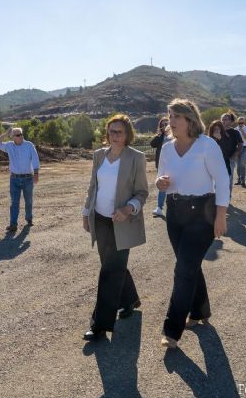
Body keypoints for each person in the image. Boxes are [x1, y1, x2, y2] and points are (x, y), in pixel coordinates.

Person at [156, 98, 229, 349]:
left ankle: (172, 331)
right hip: (175, 212)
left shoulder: (206, 145)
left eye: (176, 116)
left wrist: (221, 215)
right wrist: (160, 184)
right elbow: (161, 177)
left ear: (190, 119)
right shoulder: (166, 148)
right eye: (170, 115)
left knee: (184, 270)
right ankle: (200, 311)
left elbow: (222, 180)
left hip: (203, 213)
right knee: (189, 266)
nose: (171, 121)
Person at [81, 114, 148, 340]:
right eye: (111, 131)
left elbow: (142, 192)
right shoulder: (99, 155)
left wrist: (128, 208)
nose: (114, 135)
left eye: (119, 131)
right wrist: (85, 213)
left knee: (109, 271)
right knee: (111, 265)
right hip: (100, 219)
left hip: (122, 222)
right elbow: (93, 187)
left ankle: (99, 324)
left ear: (127, 134)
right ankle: (129, 300)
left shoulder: (136, 158)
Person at [0, 127, 40, 232]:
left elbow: (35, 159)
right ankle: (13, 225)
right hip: (14, 179)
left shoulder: (29, 145)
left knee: (28, 201)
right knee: (14, 202)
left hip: (28, 178)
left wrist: (36, 173)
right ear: (13, 137)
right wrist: (5, 134)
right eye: (18, 135)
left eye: (21, 134)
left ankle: (29, 219)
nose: (21, 136)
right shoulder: (9, 145)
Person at [220, 112, 243, 197]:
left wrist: (234, 156)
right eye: (222, 119)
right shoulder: (217, 131)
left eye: (226, 119)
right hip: (218, 160)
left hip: (229, 160)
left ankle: (227, 197)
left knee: (228, 179)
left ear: (231, 121)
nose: (223, 121)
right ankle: (219, 197)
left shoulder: (235, 132)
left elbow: (240, 145)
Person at [150, 117, 170, 217]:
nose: (165, 126)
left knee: (173, 187)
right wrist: (162, 134)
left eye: (167, 123)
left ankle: (171, 208)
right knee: (162, 186)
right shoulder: (160, 137)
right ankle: (159, 207)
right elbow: (152, 144)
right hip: (162, 165)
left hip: (174, 165)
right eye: (163, 124)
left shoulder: (175, 136)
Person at [235, 116, 246, 186]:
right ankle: (239, 179)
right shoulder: (235, 129)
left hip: (244, 148)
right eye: (239, 122)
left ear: (244, 122)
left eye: (242, 122)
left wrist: (242, 130)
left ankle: (243, 181)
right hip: (237, 148)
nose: (240, 124)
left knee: (242, 164)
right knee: (238, 166)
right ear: (237, 122)